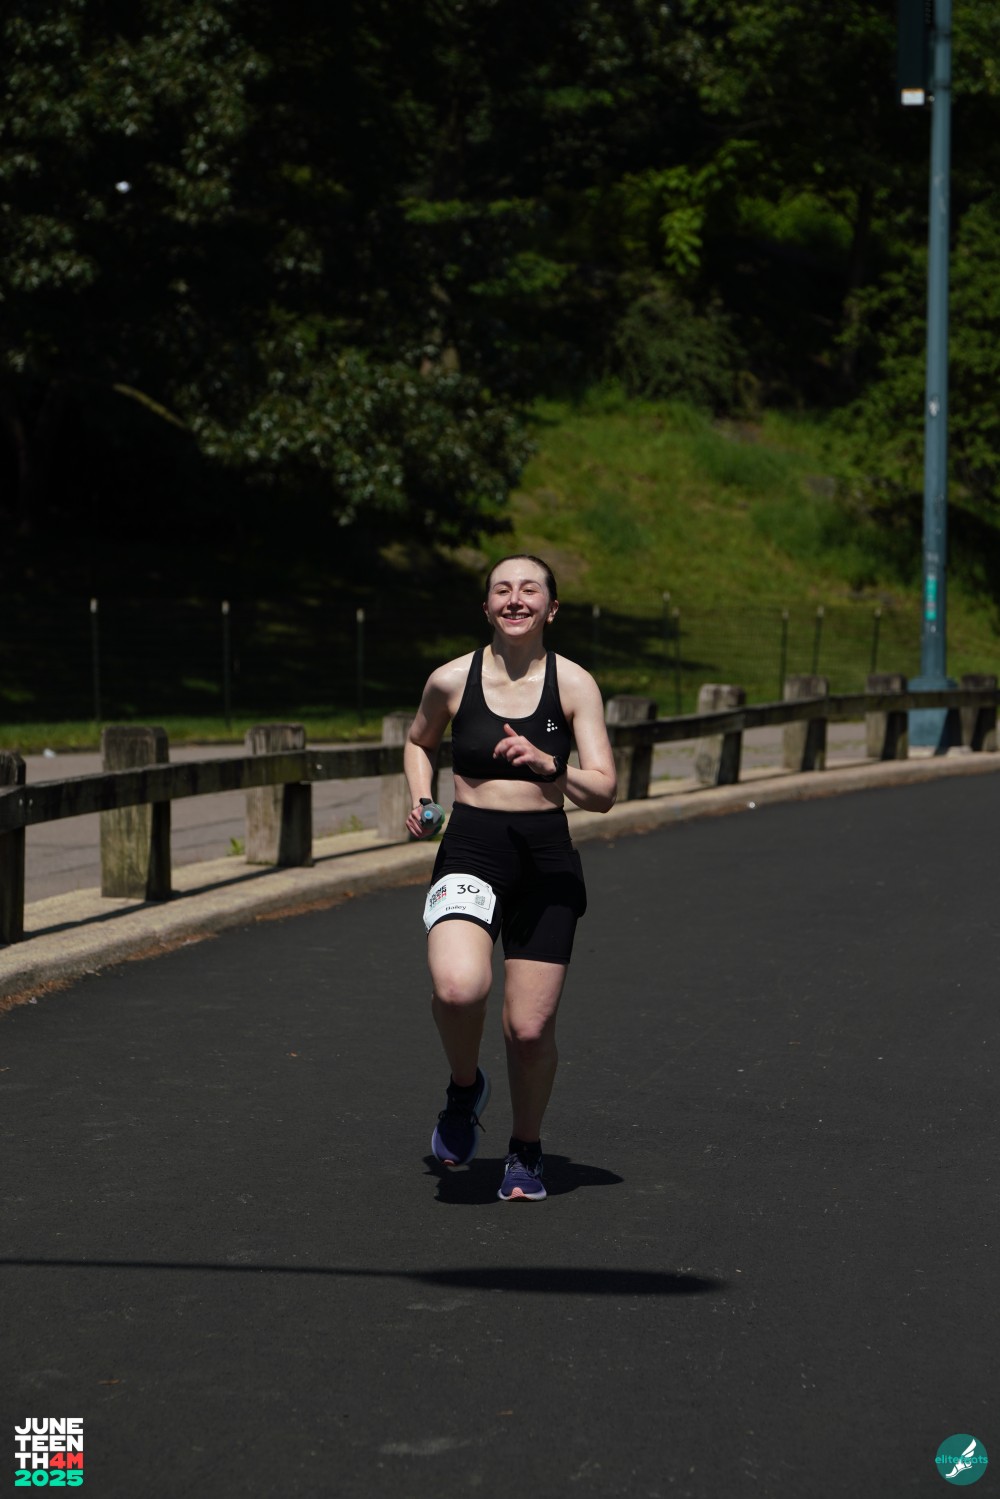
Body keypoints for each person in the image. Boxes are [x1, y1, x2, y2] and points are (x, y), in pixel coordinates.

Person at [404, 554, 617, 1201]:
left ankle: (525, 1149)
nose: (515, 599)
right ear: (487, 606)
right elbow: (419, 741)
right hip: (472, 847)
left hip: (546, 860)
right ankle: (465, 1087)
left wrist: (553, 767)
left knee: (528, 1030)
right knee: (458, 987)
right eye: (503, 589)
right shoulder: (450, 679)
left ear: (552, 609)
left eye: (530, 590)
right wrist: (422, 798)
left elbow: (604, 791)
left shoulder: (574, 684)